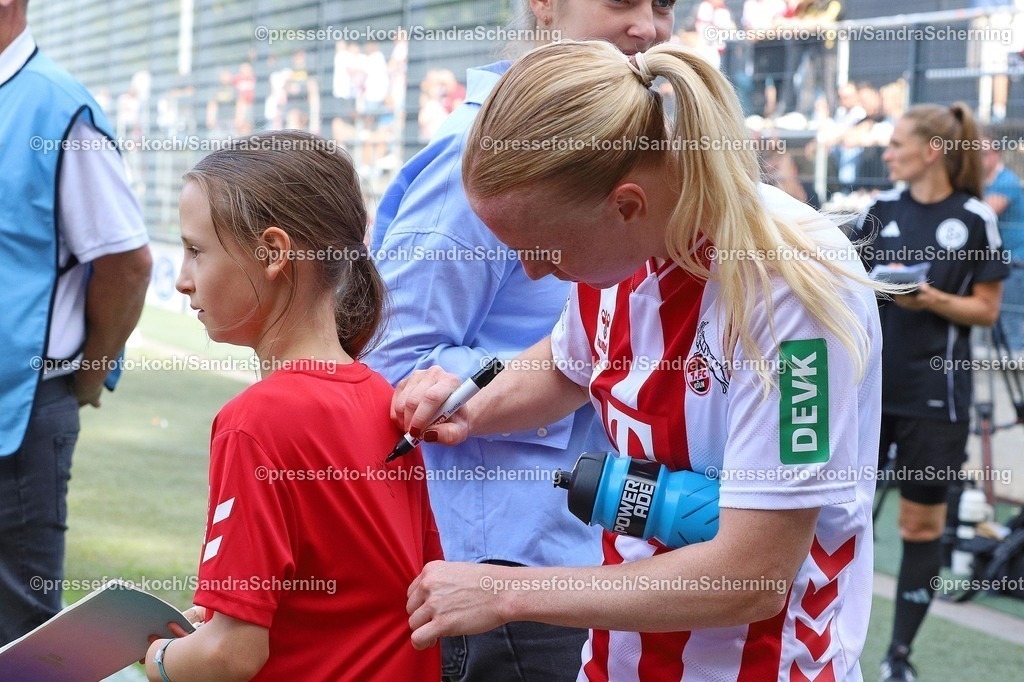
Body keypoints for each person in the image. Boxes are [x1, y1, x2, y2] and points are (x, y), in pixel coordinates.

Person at [394, 40, 892, 680]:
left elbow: (754, 575)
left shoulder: (789, 283)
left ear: (627, 204)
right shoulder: (626, 249)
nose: (532, 269)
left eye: (543, 247)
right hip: (614, 660)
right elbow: (570, 362)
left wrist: (506, 593)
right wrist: (467, 407)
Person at [365, 5, 675, 681]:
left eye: (665, 5)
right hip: (508, 558)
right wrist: (471, 395)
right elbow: (390, 356)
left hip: (568, 564)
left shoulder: (626, 174)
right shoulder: (489, 153)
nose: (648, 28)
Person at [143, 131, 441, 681]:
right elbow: (394, 601)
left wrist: (156, 659)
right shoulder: (389, 404)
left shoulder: (255, 422)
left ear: (274, 252)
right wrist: (217, 618)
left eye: (196, 250)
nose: (183, 280)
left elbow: (231, 655)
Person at [0, 0, 152, 646]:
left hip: (21, 419)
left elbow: (127, 263)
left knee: (19, 637)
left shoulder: (59, 109)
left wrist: (88, 372)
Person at [856, 104, 1008, 682]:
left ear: (932, 151)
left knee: (919, 529)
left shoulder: (972, 218)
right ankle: (823, 639)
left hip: (935, 400)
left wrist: (929, 298)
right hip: (868, 394)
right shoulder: (879, 212)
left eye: (896, 143)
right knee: (841, 518)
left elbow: (987, 308)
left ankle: (899, 658)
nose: (888, 153)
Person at [982, 140, 1024, 356]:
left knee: (1010, 322)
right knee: (997, 323)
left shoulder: (1006, 180)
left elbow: (984, 214)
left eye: (984, 153)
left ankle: (1015, 366)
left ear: (997, 154)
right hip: (998, 263)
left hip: (1016, 262)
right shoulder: (984, 182)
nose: (980, 159)